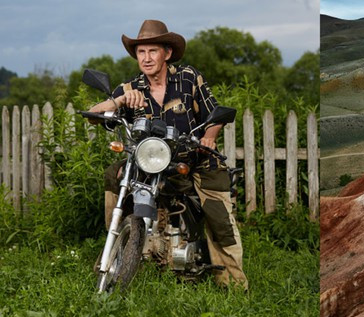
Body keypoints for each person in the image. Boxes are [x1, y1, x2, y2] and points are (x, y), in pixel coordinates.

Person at [88, 19, 247, 290]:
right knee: (113, 175)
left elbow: (214, 114)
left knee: (219, 217)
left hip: (195, 159)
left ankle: (233, 284)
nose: (147, 58)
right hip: (150, 161)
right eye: (141, 52)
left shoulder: (188, 77)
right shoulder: (131, 88)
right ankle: (118, 249)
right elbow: (94, 114)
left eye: (153, 51)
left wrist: (209, 136)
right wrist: (120, 101)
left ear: (167, 53)